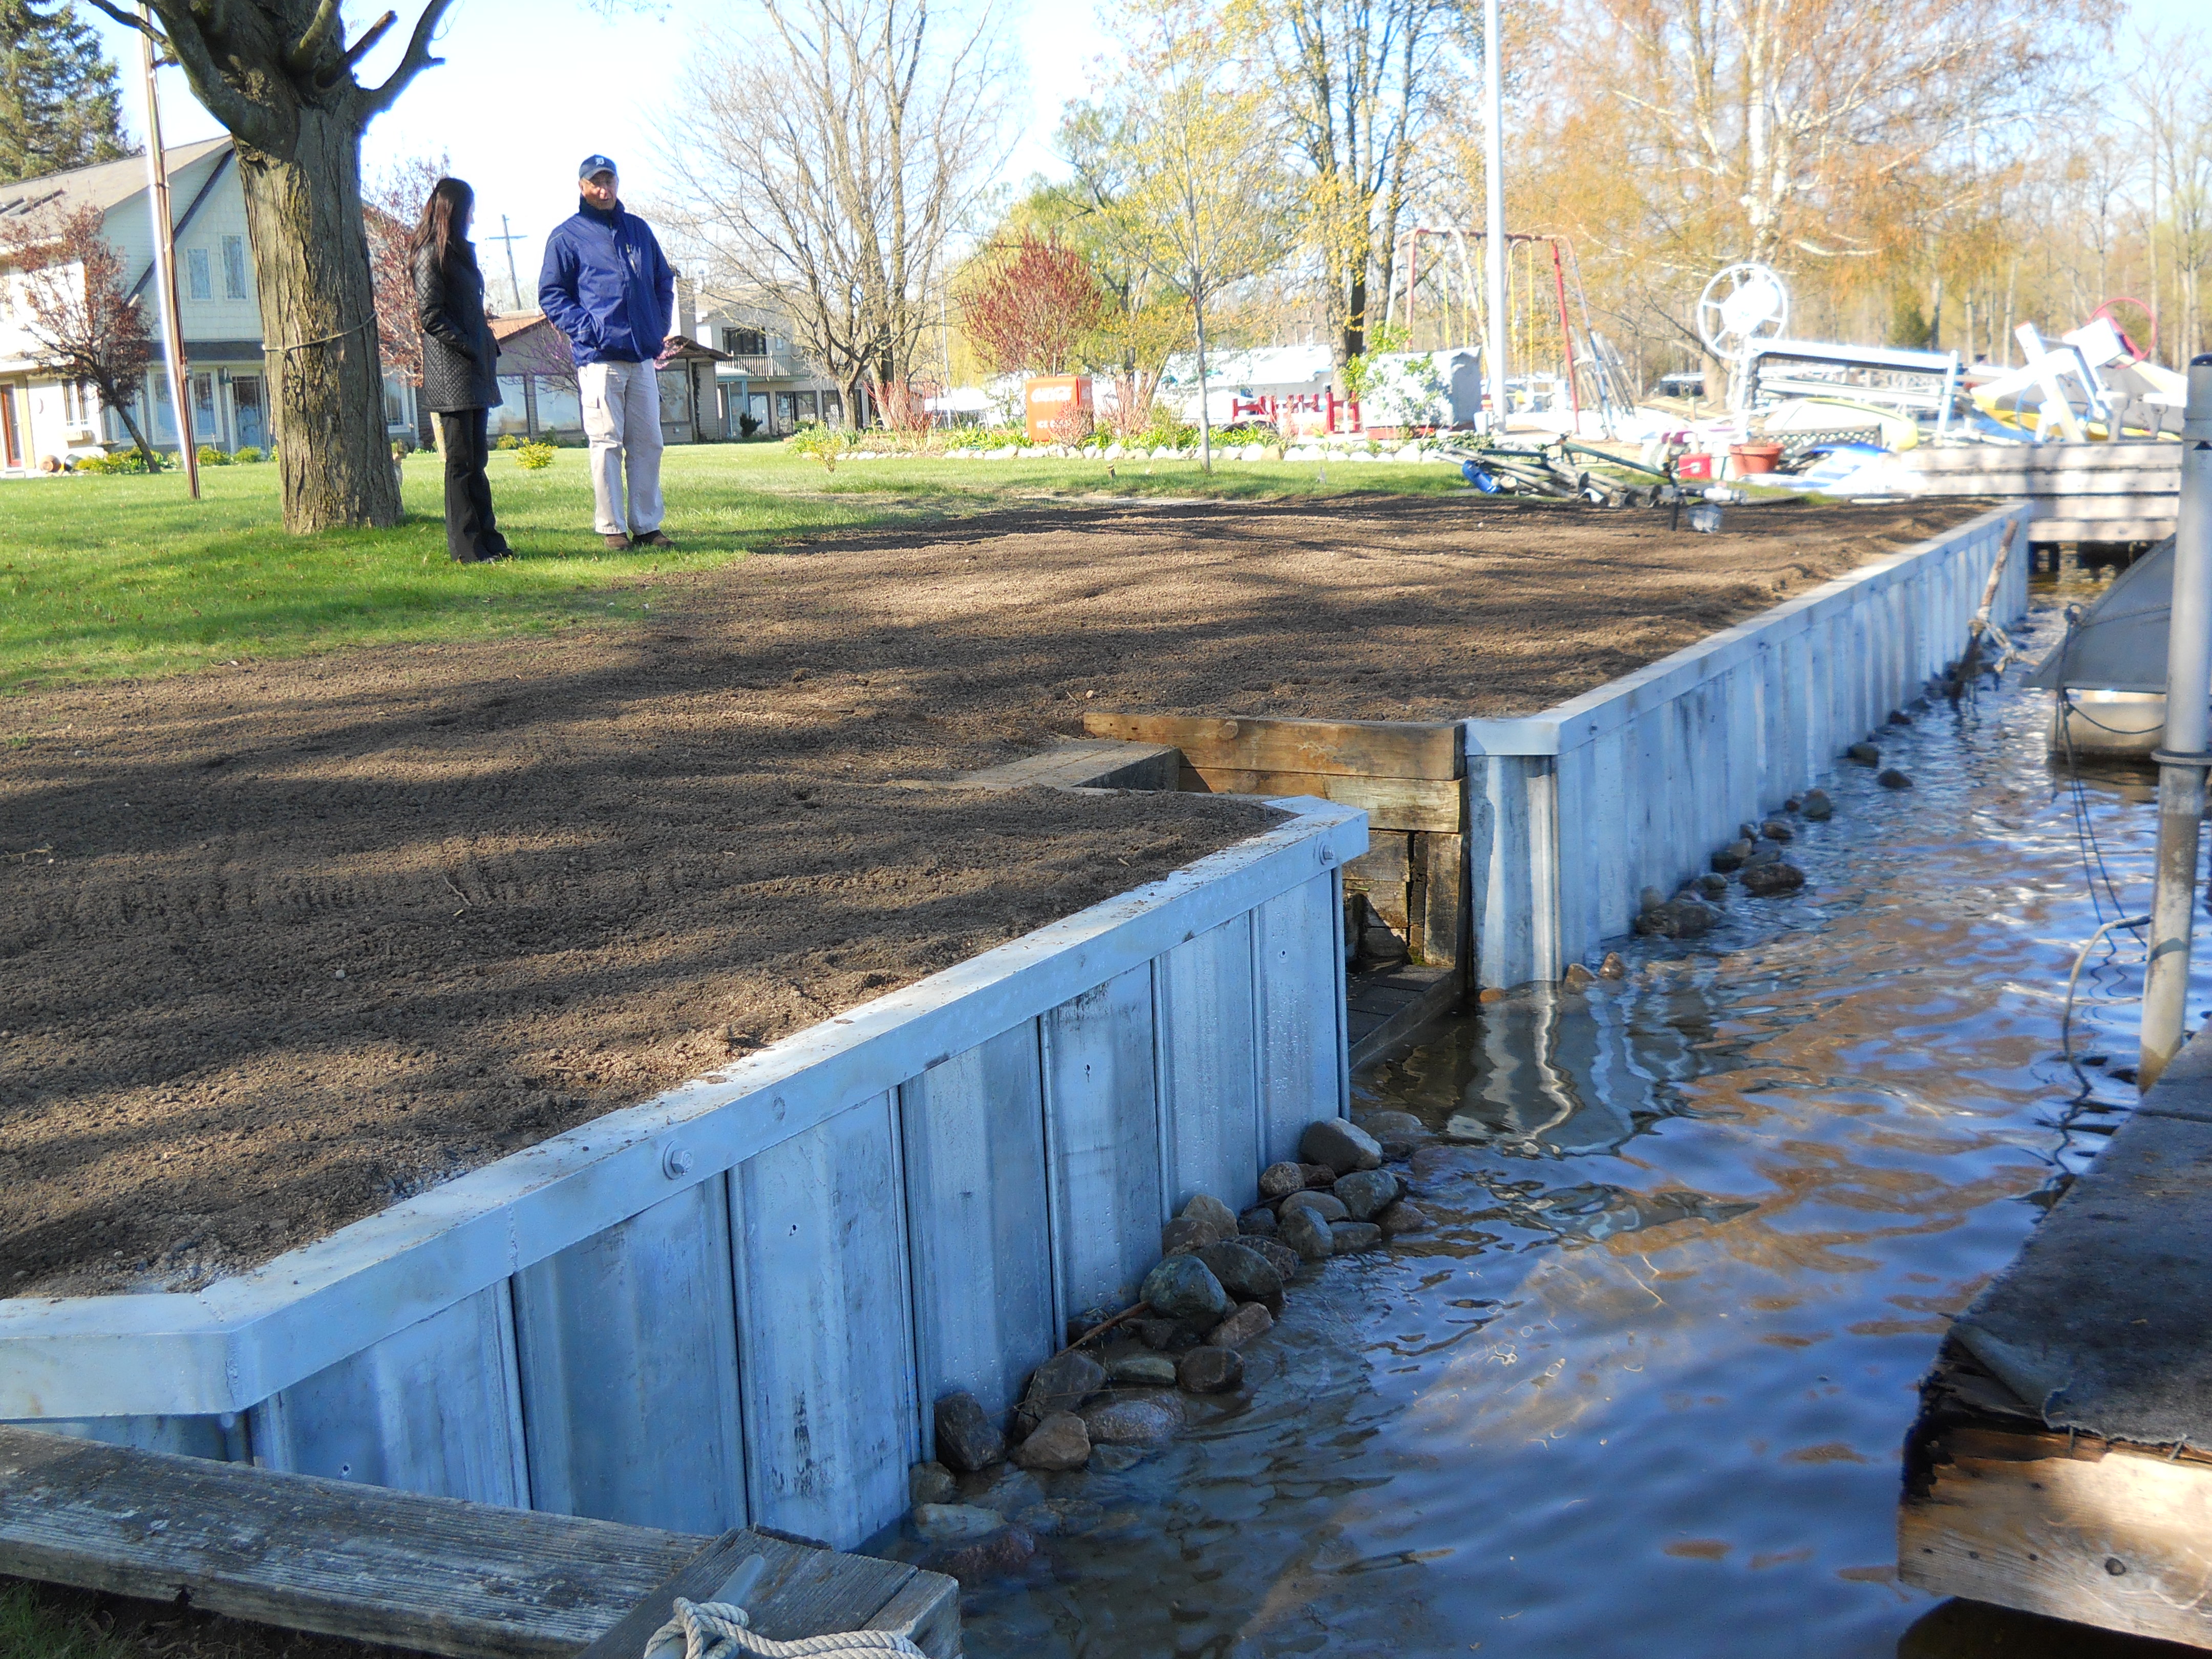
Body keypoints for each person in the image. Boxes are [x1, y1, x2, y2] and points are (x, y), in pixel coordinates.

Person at [538, 155, 677, 551]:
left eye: (609, 181)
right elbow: (552, 294)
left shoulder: (638, 230)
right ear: (582, 187)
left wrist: (658, 326)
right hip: (599, 360)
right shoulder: (567, 237)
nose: (604, 190)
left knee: (649, 443)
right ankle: (613, 528)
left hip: (641, 357)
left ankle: (647, 526)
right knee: (607, 444)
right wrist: (589, 330)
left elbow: (663, 281)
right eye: (596, 182)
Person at [410, 176, 510, 564]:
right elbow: (431, 316)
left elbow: (468, 310)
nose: (472, 217)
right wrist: (469, 345)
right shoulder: (429, 256)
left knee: (477, 461)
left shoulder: (458, 254)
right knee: (460, 463)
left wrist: (486, 345)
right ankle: (467, 548)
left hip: (473, 371)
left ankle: (490, 540)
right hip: (452, 374)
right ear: (453, 211)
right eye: (469, 210)